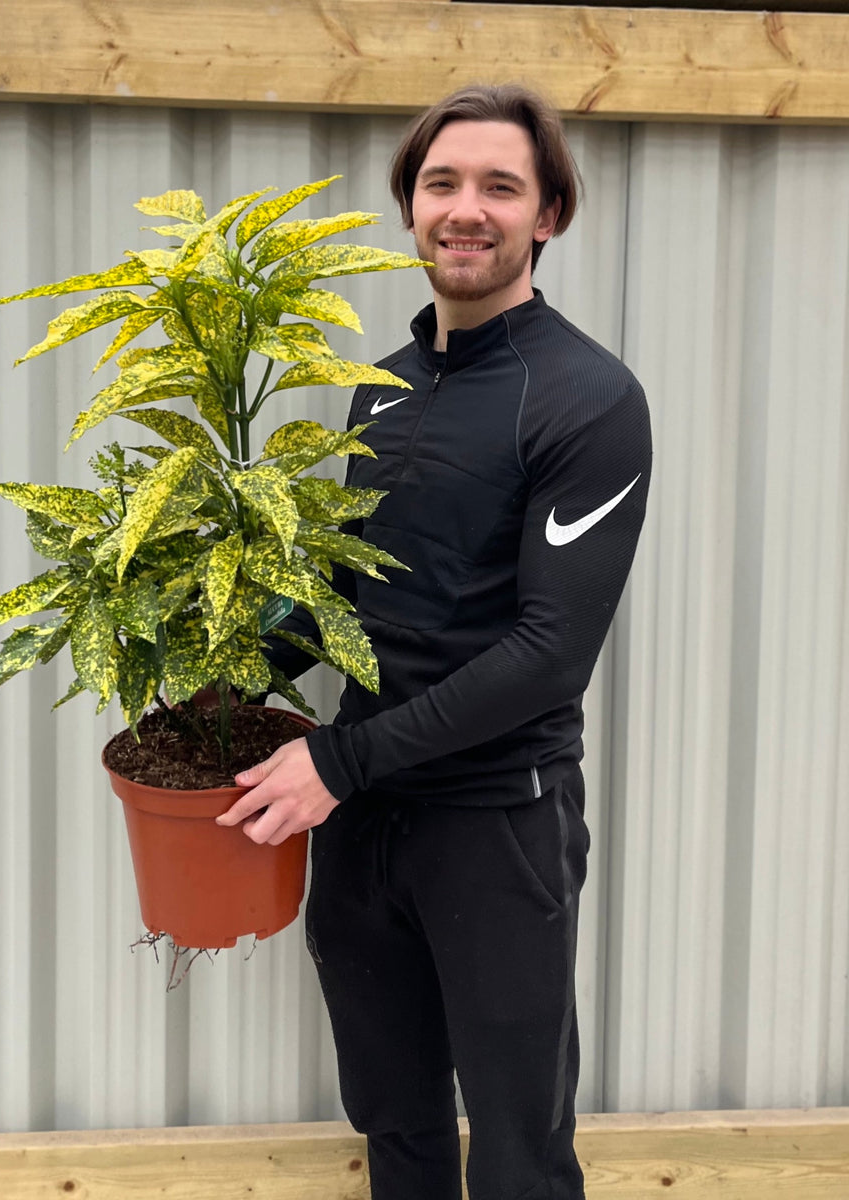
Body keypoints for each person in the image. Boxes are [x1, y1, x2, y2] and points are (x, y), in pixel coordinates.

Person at [217, 83, 653, 1200]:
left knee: (518, 1144)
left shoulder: (589, 399)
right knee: (396, 1124)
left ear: (547, 214)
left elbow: (552, 650)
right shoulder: (385, 392)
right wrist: (215, 681)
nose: (467, 208)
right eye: (442, 183)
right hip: (363, 832)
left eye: (500, 186)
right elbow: (347, 599)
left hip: (498, 827)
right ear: (411, 205)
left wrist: (334, 759)